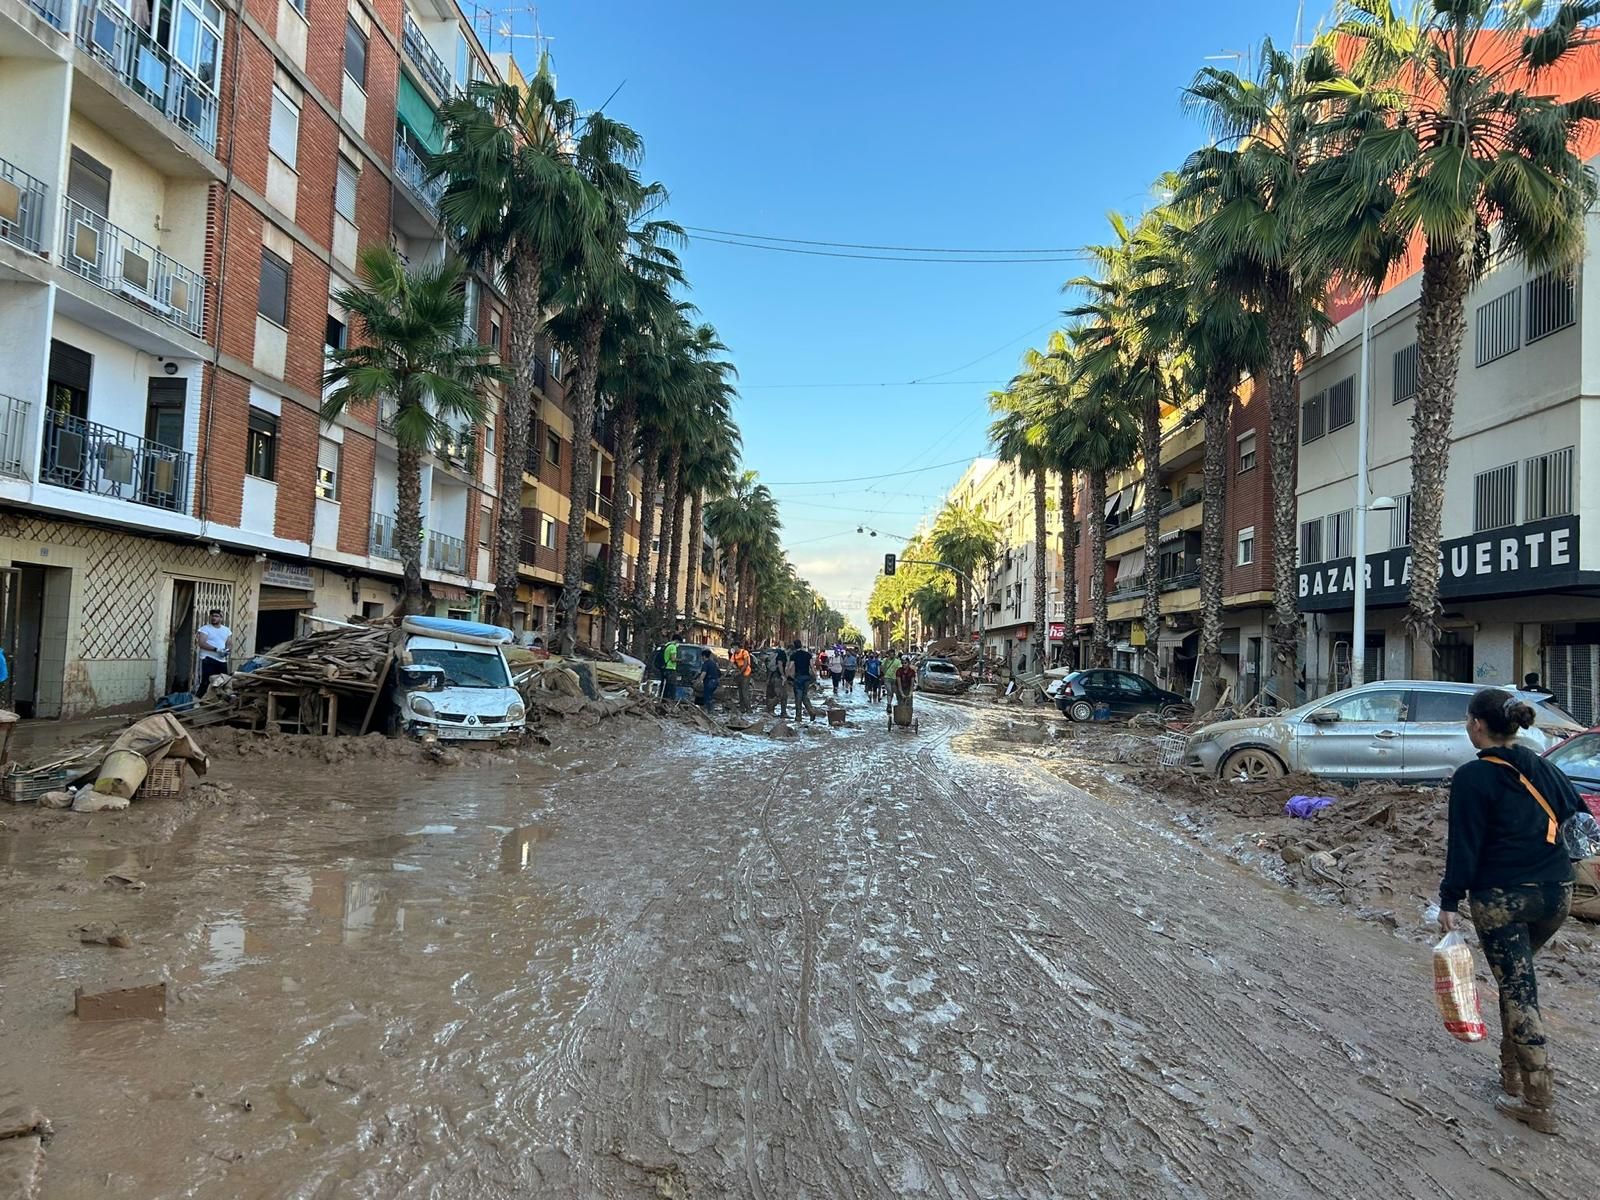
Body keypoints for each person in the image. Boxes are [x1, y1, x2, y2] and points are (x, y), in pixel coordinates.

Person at [1439, 686, 1582, 1134]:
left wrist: (1449, 901)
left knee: (1519, 988)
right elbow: (1579, 820)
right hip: (1557, 893)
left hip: (1503, 898)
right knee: (1513, 978)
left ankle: (1538, 1101)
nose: (1467, 725)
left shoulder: (1471, 778)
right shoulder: (1543, 766)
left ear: (1478, 725)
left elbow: (1464, 846)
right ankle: (1511, 1076)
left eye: (1467, 720)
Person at [196, 608, 232, 696]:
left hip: (221, 660)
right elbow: (201, 643)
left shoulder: (226, 630)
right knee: (206, 682)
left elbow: (229, 643)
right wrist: (217, 649)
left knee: (223, 680)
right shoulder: (205, 629)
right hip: (208, 658)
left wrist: (227, 650)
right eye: (212, 616)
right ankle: (198, 700)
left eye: (216, 616)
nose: (213, 618)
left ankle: (219, 701)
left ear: (221, 618)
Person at [789, 640, 819, 722]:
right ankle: (811, 711)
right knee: (805, 696)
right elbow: (812, 667)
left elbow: (790, 667)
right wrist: (815, 676)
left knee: (798, 698)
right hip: (806, 678)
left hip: (798, 678)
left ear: (794, 646)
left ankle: (798, 717)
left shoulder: (793, 655)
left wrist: (787, 676)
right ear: (801, 645)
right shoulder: (807, 655)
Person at [766, 644, 789, 718]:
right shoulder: (782, 654)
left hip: (772, 676)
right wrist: (783, 675)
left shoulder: (773, 655)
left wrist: (768, 679)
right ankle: (780, 712)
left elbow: (769, 668)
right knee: (782, 695)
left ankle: (771, 711)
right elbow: (780, 664)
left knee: (773, 694)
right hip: (779, 677)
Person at [729, 641, 753, 712]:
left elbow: (745, 664)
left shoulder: (744, 652)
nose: (733, 649)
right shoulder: (734, 655)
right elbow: (730, 664)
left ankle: (749, 709)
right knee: (740, 692)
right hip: (740, 674)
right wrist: (726, 673)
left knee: (745, 692)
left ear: (736, 646)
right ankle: (742, 708)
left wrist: (739, 672)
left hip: (746, 673)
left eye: (733, 647)